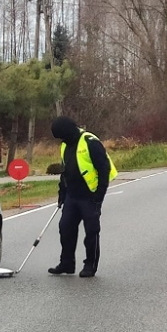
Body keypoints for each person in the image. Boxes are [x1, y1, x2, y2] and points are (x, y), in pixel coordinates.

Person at [48, 116, 116, 278]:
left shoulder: (90, 142)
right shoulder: (65, 146)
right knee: (65, 228)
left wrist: (99, 195)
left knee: (91, 231)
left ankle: (90, 265)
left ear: (68, 131)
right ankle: (67, 263)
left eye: (62, 136)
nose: (61, 140)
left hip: (90, 195)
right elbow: (64, 173)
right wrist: (61, 194)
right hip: (72, 195)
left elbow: (103, 169)